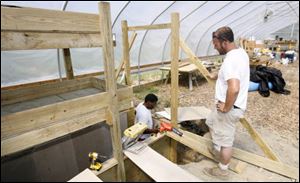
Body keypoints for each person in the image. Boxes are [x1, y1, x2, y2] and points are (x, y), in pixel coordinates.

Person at [203, 26, 250, 180]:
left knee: (226, 142)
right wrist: (216, 75)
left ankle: (223, 170)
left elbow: (234, 88)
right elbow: (231, 72)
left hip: (229, 108)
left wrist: (226, 107)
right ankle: (217, 148)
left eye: (216, 45)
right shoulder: (240, 53)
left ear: (224, 42)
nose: (215, 48)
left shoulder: (231, 59)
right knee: (210, 121)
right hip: (230, 107)